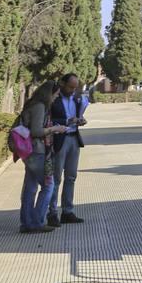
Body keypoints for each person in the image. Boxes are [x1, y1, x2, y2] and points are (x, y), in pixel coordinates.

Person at [18, 81, 69, 234]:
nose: (57, 97)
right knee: (48, 185)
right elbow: (36, 131)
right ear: (49, 93)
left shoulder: (32, 104)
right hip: (37, 151)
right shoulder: (40, 106)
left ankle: (26, 223)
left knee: (30, 187)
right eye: (56, 94)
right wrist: (54, 129)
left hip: (30, 151)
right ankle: (37, 222)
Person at [47, 73, 89, 226]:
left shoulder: (76, 99)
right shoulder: (54, 99)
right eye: (70, 87)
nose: (72, 90)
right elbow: (48, 120)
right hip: (59, 140)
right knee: (56, 178)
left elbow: (78, 115)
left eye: (75, 87)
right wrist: (67, 121)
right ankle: (51, 213)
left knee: (71, 177)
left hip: (73, 139)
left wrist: (80, 120)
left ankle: (67, 211)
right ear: (62, 84)